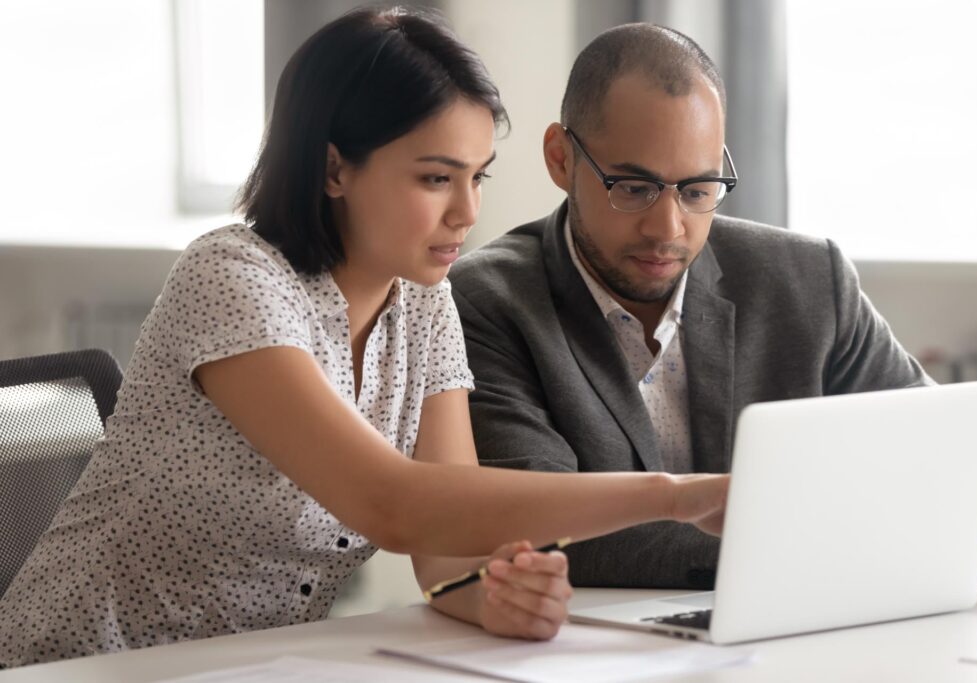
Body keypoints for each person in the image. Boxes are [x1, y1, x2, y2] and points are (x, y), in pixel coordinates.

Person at [0, 9, 731, 668]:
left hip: (256, 663)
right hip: (79, 663)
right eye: (436, 178)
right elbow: (392, 503)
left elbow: (444, 545)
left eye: (478, 176)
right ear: (333, 167)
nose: (467, 212)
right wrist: (673, 495)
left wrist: (489, 593)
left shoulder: (425, 301)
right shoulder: (231, 279)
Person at [449, 22, 977, 592]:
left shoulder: (808, 280)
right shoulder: (488, 302)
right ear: (560, 159)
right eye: (633, 188)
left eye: (698, 191)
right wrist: (865, 538)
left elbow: (952, 452)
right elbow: (541, 530)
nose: (667, 228)